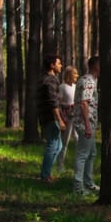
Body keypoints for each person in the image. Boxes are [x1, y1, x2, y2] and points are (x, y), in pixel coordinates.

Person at [72, 56, 101, 195]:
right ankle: (78, 187)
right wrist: (88, 126)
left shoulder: (93, 81)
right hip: (85, 123)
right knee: (83, 154)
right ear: (95, 66)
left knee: (92, 153)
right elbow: (84, 103)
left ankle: (88, 183)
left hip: (90, 123)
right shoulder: (87, 81)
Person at [38, 55, 66, 183]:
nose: (61, 66)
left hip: (48, 116)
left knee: (58, 145)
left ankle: (47, 173)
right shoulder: (50, 80)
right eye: (58, 63)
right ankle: (45, 176)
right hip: (51, 118)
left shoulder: (48, 79)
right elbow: (52, 102)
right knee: (52, 145)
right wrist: (59, 119)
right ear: (52, 65)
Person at [56, 66, 79, 172]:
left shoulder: (76, 86)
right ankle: (60, 165)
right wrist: (67, 108)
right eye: (75, 74)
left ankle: (79, 165)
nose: (77, 76)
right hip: (67, 116)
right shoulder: (62, 87)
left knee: (78, 140)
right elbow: (59, 102)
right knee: (65, 141)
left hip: (76, 116)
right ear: (69, 75)